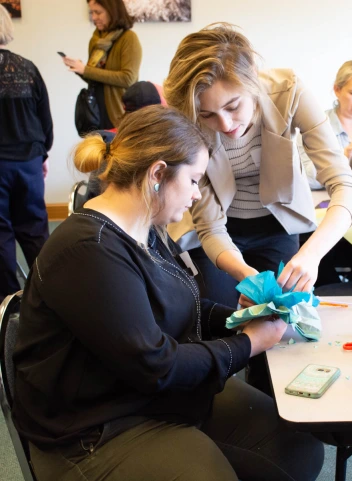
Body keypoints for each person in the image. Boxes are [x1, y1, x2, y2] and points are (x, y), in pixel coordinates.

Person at [13, 105, 324, 481]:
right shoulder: (87, 250)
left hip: (142, 395)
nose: (196, 195)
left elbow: (182, 303)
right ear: (158, 173)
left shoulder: (144, 226)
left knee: (297, 447)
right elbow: (156, 366)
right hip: (96, 429)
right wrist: (250, 343)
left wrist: (239, 316)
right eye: (193, 180)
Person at [164, 23, 352, 309]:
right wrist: (245, 275)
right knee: (221, 313)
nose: (225, 125)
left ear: (252, 79)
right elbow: (209, 227)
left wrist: (312, 255)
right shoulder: (189, 116)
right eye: (208, 115)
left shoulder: (289, 91)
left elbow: (345, 185)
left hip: (279, 225)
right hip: (220, 230)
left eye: (233, 107)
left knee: (282, 316)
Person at [0, 4, 53, 303]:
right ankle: (48, 294)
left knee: (0, 235)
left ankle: (8, 302)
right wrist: (41, 156)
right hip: (29, 162)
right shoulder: (27, 68)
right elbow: (44, 120)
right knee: (34, 230)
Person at [299, 59, 352, 190]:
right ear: (337, 90)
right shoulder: (314, 127)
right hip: (330, 207)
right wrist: (342, 157)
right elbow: (304, 180)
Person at [62, 0, 142, 129]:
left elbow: (128, 78)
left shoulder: (129, 38)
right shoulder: (96, 40)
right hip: (95, 112)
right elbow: (95, 77)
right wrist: (78, 69)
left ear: (113, 11)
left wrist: (86, 70)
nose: (94, 17)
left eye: (98, 12)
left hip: (117, 113)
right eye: (92, 12)